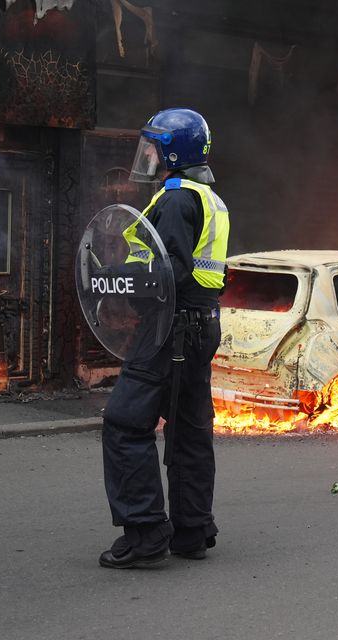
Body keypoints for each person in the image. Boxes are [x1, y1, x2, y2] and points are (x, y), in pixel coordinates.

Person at [98, 108, 230, 569]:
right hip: (200, 325)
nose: (148, 154)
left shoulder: (174, 198)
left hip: (167, 328)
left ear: (174, 151)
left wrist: (115, 277)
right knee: (189, 429)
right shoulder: (208, 197)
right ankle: (192, 531)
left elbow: (170, 270)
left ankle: (145, 534)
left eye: (153, 145)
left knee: (125, 423)